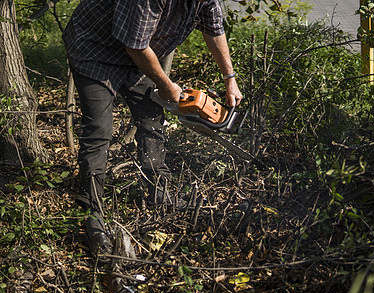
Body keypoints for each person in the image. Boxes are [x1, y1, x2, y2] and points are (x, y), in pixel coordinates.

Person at [63, 0, 243, 256]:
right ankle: (93, 211)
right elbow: (135, 46)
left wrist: (230, 79)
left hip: (135, 55)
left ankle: (161, 191)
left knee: (151, 118)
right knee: (99, 128)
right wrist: (166, 85)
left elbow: (214, 29)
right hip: (95, 49)